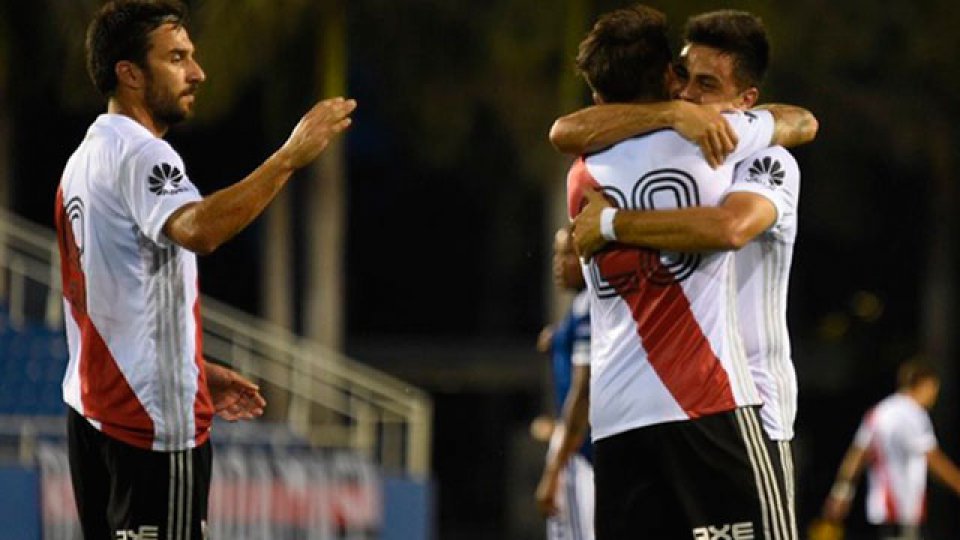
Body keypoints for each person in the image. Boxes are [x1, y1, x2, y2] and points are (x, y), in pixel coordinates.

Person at [53, 1, 355, 537]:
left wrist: (194, 367)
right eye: (176, 58)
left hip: (95, 415)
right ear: (130, 74)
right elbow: (199, 230)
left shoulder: (84, 159)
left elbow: (104, 297)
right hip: (149, 427)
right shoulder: (143, 155)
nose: (197, 72)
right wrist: (288, 157)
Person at [552, 10, 813, 537]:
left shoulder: (761, 157)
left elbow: (733, 224)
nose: (690, 96)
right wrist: (669, 117)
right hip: (713, 402)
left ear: (746, 100)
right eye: (684, 78)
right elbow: (803, 120)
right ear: (668, 77)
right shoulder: (704, 144)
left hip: (755, 407)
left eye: (707, 85)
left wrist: (611, 224)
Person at [821, 362, 960, 540]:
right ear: (924, 384)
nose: (934, 396)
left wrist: (841, 492)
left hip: (880, 512)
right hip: (901, 511)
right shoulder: (913, 414)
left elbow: (857, 455)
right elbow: (933, 459)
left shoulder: (879, 412)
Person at [534, 227, 594, 540]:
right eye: (557, 254)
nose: (559, 263)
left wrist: (554, 468)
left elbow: (583, 392)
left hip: (581, 453)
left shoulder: (588, 307)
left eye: (569, 254)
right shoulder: (581, 308)